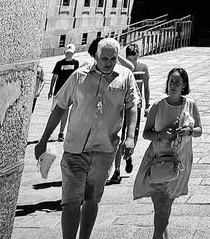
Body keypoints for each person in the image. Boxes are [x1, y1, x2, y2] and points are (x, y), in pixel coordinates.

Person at [34, 37, 139, 239]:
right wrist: (44, 138)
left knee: (92, 199)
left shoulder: (125, 76)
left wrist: (130, 137)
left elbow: (132, 106)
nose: (109, 63)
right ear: (96, 56)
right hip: (75, 149)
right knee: (71, 200)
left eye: (113, 58)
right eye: (104, 58)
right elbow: (60, 108)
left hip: (104, 149)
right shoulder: (79, 76)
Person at [134, 67, 202, 239]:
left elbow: (199, 130)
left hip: (180, 161)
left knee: (166, 206)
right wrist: (161, 135)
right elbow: (146, 133)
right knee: (161, 206)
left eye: (177, 82)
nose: (173, 85)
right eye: (171, 81)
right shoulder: (157, 106)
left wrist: (189, 131)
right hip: (158, 161)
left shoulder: (191, 105)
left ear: (184, 85)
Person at [108, 43, 151, 184]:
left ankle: (128, 155)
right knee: (120, 135)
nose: (132, 60)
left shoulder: (143, 68)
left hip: (136, 105)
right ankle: (117, 170)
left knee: (133, 135)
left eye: (134, 57)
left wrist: (147, 105)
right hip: (122, 106)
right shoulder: (122, 68)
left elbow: (146, 88)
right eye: (130, 57)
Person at [48, 42, 80, 141]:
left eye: (70, 53)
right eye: (67, 53)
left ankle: (61, 133)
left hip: (69, 91)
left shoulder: (76, 63)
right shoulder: (59, 63)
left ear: (73, 53)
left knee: (65, 111)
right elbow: (54, 76)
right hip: (58, 90)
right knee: (54, 111)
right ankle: (49, 132)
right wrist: (50, 90)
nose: (68, 54)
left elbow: (77, 77)